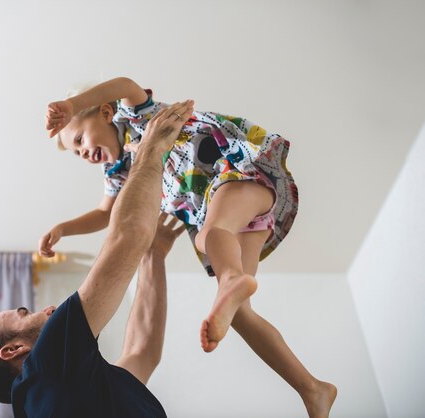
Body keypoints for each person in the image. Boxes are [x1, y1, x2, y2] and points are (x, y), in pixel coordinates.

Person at [40, 77, 337, 418]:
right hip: (244, 216)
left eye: (80, 139)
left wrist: (72, 106)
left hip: (238, 173)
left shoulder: (137, 117)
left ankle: (231, 279)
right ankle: (312, 389)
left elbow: (124, 84)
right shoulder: (118, 172)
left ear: (105, 113)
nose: (84, 153)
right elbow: (105, 214)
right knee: (238, 309)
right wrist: (65, 228)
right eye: (77, 153)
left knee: (210, 233)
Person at [0, 101, 192, 417]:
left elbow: (142, 353)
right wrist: (151, 148)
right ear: (14, 350)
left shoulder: (62, 392)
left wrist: (153, 255)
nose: (45, 310)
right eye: (25, 312)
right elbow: (125, 238)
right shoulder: (46, 366)